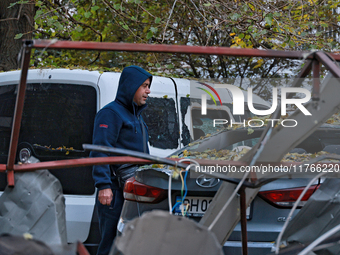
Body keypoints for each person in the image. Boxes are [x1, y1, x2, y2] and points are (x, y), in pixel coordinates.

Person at [90, 65, 152, 255]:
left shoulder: (138, 118)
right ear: (130, 86)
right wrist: (103, 186)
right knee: (111, 244)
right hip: (114, 192)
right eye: (144, 86)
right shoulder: (111, 114)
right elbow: (100, 150)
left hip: (134, 190)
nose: (148, 91)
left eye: (149, 86)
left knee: (130, 244)